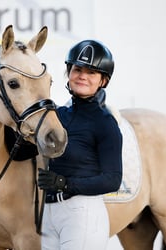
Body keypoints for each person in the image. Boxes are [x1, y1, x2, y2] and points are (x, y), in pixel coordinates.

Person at [38, 40, 123, 250]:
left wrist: (65, 183)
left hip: (82, 213)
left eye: (91, 72)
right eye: (77, 69)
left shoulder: (105, 122)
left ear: (103, 80)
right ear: (69, 72)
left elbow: (112, 180)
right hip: (47, 213)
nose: (82, 76)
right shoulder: (57, 115)